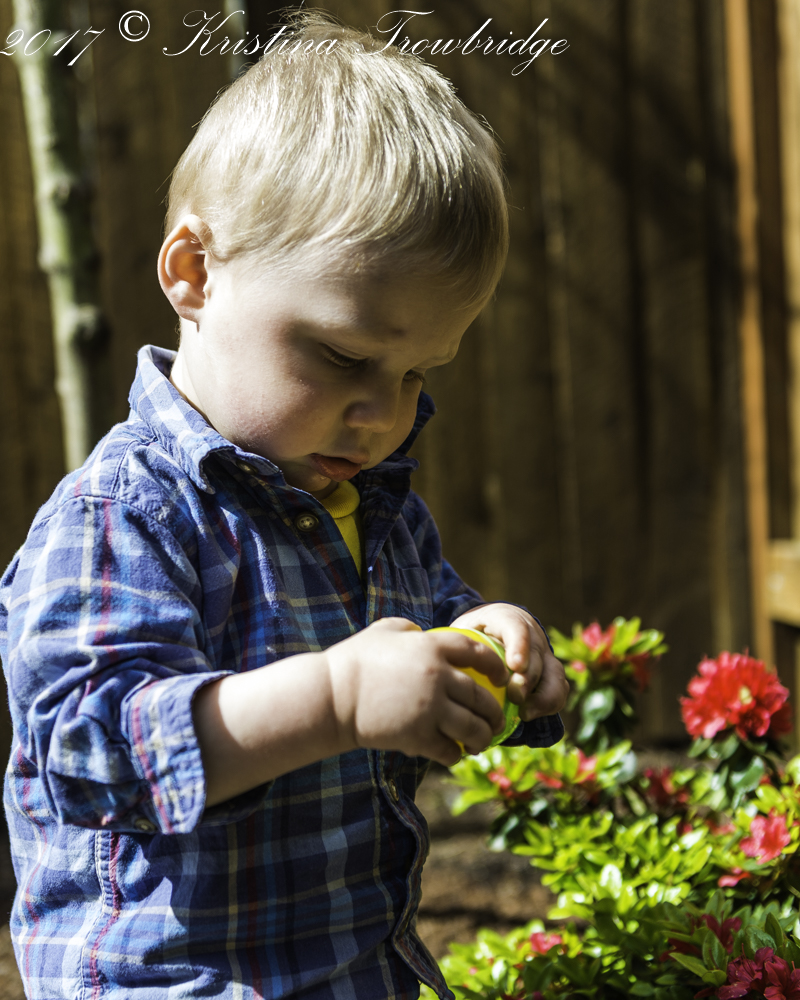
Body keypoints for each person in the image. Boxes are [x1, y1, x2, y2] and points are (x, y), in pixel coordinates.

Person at [0, 13, 568, 1000]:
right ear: (194, 274)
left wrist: (490, 643)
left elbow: (420, 645)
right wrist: (335, 700)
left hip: (358, 965)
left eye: (418, 373)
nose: (383, 412)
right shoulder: (123, 515)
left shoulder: (373, 507)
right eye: (344, 355)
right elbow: (89, 756)